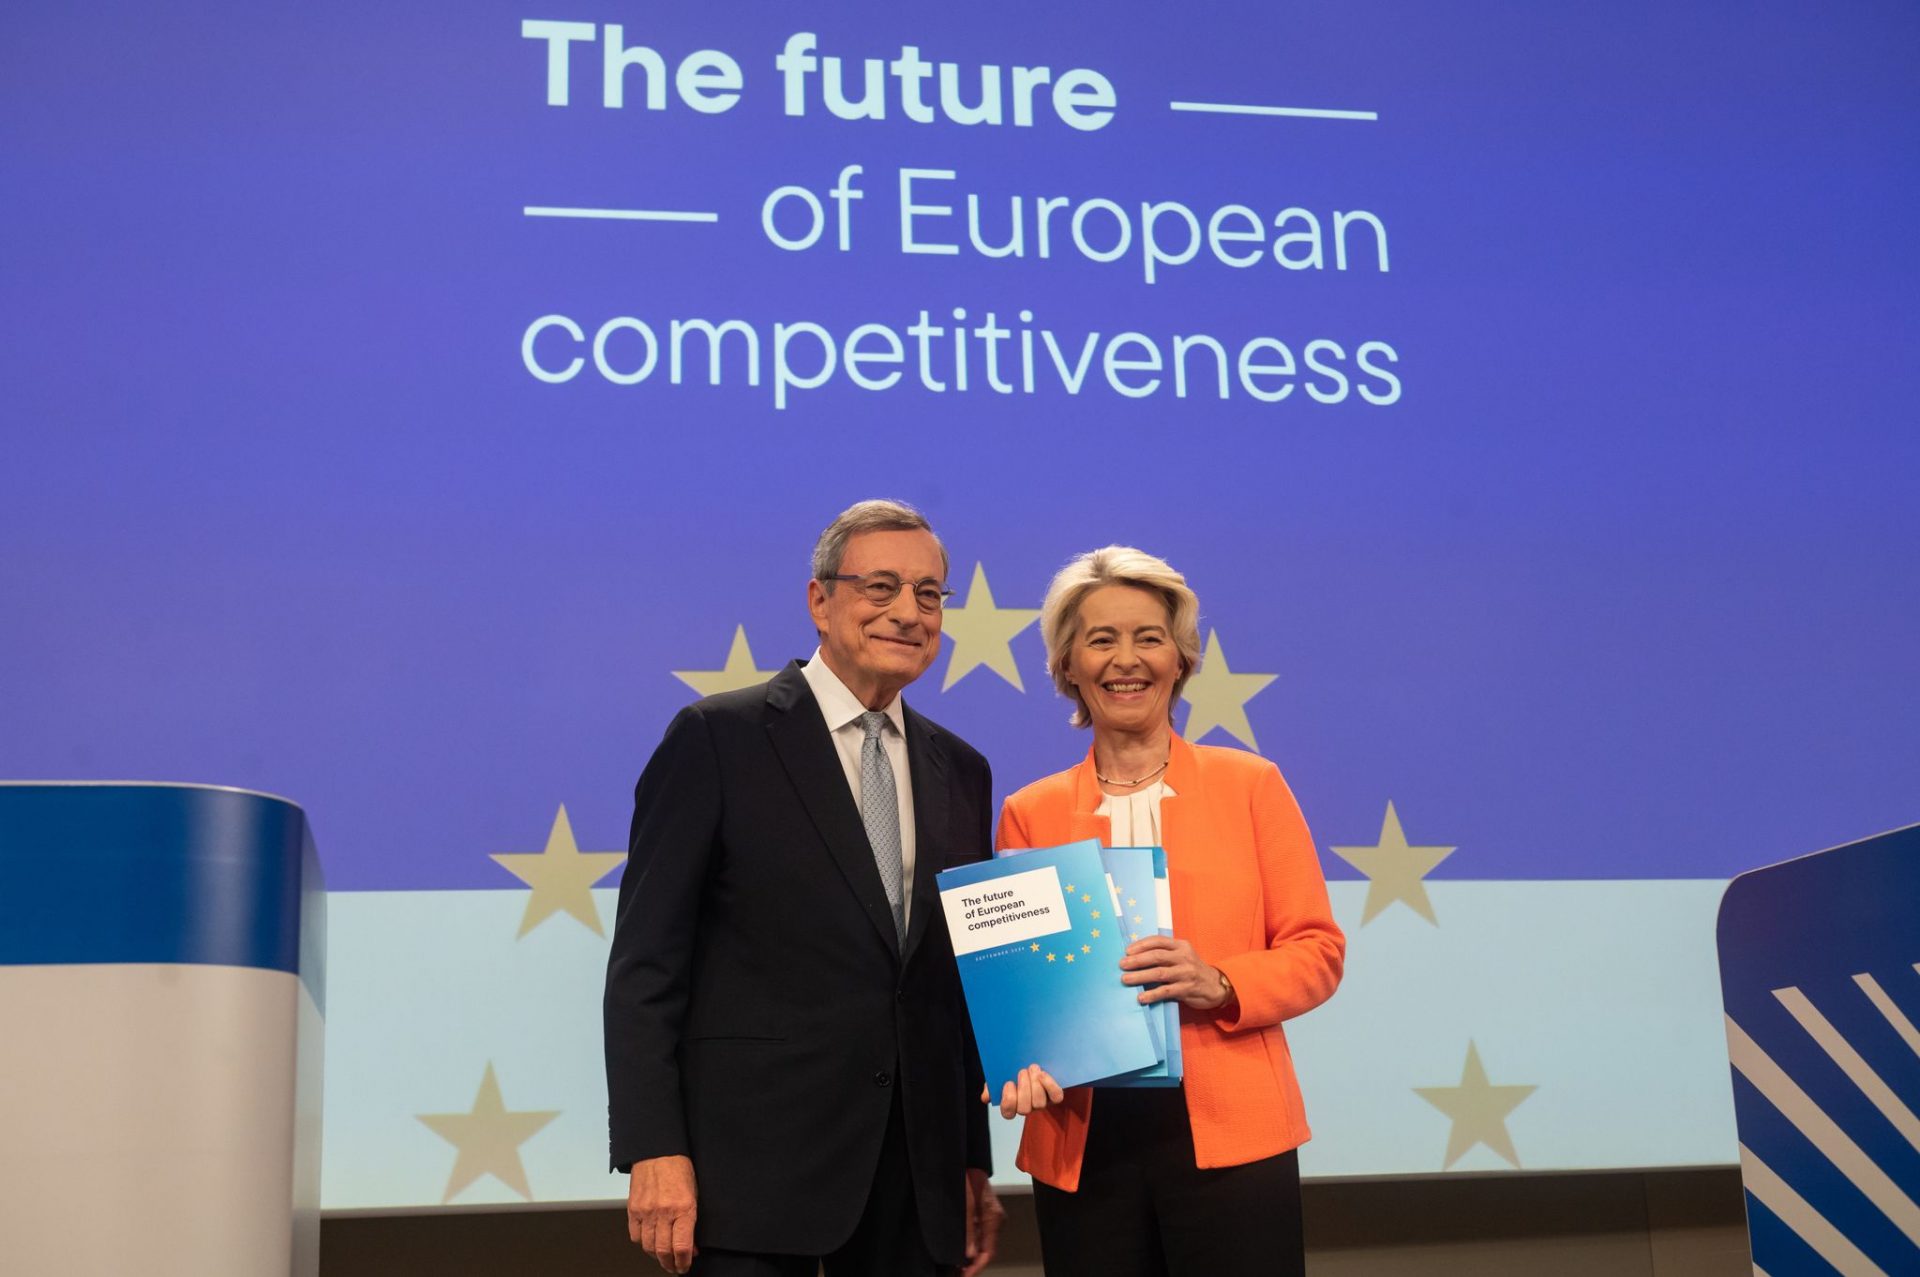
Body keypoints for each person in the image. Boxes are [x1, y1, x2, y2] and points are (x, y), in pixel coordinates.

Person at [604, 499, 1003, 1277]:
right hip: (751, 1181)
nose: (908, 612)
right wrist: (654, 1145)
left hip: (913, 1189)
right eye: (880, 586)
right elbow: (645, 967)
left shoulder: (962, 768)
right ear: (820, 600)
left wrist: (968, 1159)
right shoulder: (718, 738)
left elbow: (951, 987)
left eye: (930, 594)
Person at [992, 546, 1345, 1277]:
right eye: (1101, 638)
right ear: (1068, 667)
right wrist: (1016, 1056)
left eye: (1149, 636)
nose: (1128, 659)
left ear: (1181, 659)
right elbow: (1020, 991)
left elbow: (1317, 950)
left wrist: (1220, 980)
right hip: (1082, 1140)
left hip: (1234, 1135)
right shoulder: (1030, 812)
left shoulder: (1251, 784)